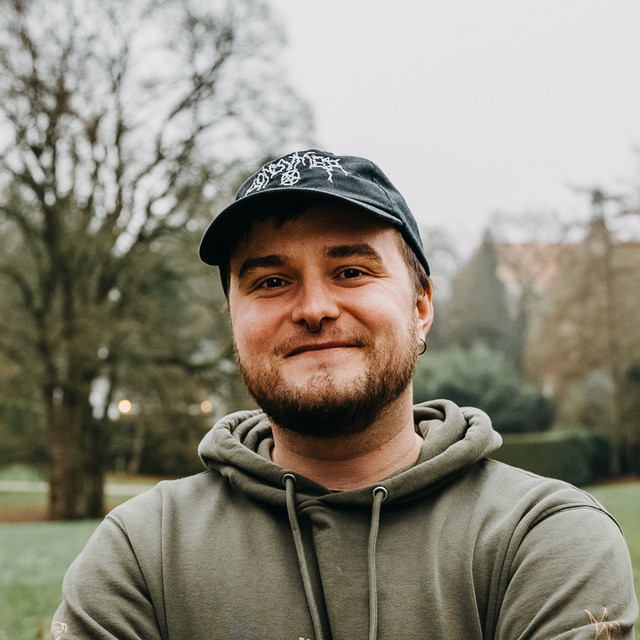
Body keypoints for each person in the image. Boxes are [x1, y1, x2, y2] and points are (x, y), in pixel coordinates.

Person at [51, 150, 637, 640]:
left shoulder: (544, 537)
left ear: (421, 307)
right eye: (271, 281)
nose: (314, 309)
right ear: (233, 318)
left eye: (351, 271)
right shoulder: (142, 551)